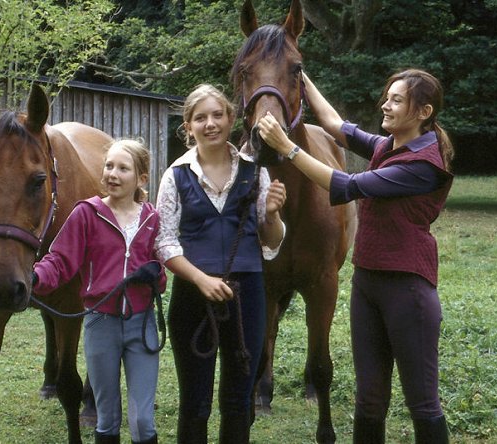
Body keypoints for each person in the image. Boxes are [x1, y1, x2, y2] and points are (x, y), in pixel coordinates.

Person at [258, 68, 453, 443]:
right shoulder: (387, 146)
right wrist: (302, 79)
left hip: (407, 291)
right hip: (367, 284)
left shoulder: (423, 164)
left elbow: (346, 185)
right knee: (369, 400)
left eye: (397, 100)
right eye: (388, 96)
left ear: (423, 111)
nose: (386, 104)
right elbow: (335, 125)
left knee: (422, 403)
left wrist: (287, 148)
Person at [154, 84, 286, 444]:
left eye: (217, 115)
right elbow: (164, 242)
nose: (210, 124)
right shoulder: (176, 175)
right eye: (200, 118)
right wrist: (201, 280)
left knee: (238, 399)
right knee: (195, 401)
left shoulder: (254, 171)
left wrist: (272, 214)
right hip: (192, 297)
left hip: (248, 298)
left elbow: (271, 243)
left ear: (231, 119)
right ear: (188, 126)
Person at [32, 139, 167, 444]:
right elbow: (60, 260)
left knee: (143, 420)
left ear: (141, 179)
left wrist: (155, 273)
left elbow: (162, 271)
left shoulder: (152, 219)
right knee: (106, 417)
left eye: (123, 168)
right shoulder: (87, 214)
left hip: (141, 324)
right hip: (100, 323)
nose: (112, 174)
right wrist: (35, 277)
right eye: (109, 166)